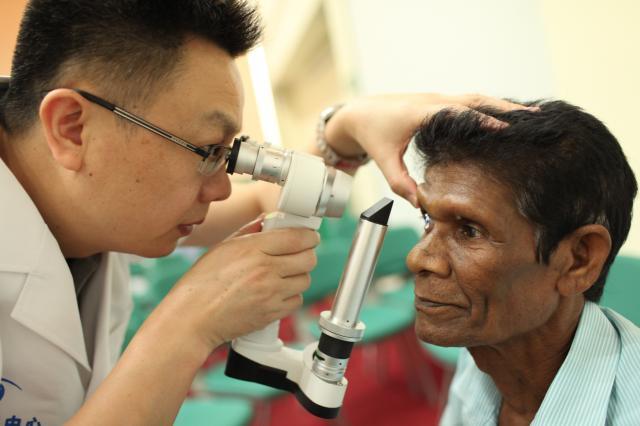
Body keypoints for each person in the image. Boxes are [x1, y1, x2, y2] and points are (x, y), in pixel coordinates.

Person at [0, 0, 532, 423]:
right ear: (73, 128)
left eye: (228, 156)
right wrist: (187, 325)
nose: (220, 189)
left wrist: (343, 127)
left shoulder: (101, 199)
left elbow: (269, 197)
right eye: (207, 150)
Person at [405, 101, 640, 425]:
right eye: (428, 218)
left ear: (578, 260)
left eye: (470, 230)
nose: (417, 258)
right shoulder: (485, 346)